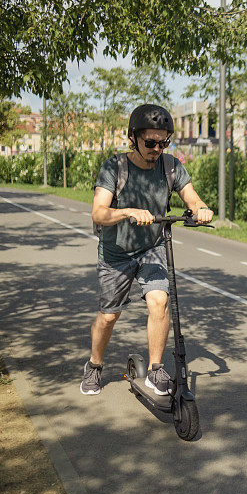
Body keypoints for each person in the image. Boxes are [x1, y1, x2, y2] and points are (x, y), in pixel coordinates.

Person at [80, 104, 214, 396]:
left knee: (159, 302)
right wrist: (127, 211)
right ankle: (94, 365)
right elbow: (98, 213)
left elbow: (192, 198)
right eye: (150, 142)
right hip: (116, 253)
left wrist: (201, 210)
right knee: (108, 316)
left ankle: (155, 368)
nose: (157, 148)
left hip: (152, 248)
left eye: (163, 142)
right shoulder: (114, 167)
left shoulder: (171, 166)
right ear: (133, 138)